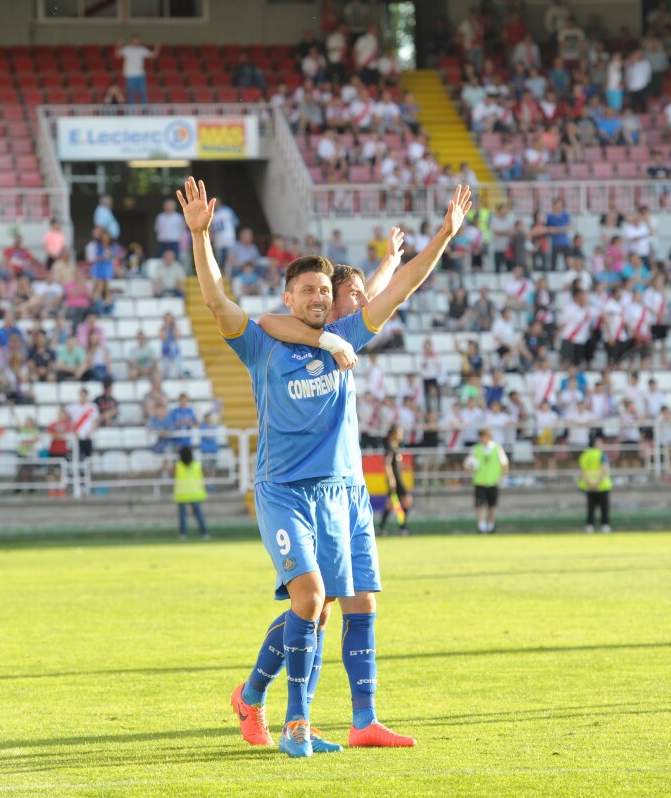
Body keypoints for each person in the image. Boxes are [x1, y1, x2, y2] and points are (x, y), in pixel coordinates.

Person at [180, 178, 467, 756]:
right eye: (307, 289)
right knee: (311, 600)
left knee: (341, 603)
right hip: (285, 490)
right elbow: (215, 300)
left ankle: (323, 716)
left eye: (322, 290)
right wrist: (201, 236)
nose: (316, 296)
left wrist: (442, 235)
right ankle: (293, 721)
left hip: (340, 493)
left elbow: (400, 288)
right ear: (289, 298)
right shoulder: (260, 344)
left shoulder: (344, 334)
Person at [466, 427, 510, 534]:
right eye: (481, 437)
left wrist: (501, 478)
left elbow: (505, 464)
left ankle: (491, 525)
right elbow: (467, 465)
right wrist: (472, 468)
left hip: (493, 482)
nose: (483, 439)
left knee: (492, 506)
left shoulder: (497, 448)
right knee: (480, 505)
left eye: (485, 436)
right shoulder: (476, 449)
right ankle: (481, 526)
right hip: (480, 482)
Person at [378, 426, 411, 536]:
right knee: (406, 501)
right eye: (400, 433)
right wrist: (391, 479)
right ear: (393, 434)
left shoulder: (395, 447)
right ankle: (402, 527)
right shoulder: (390, 447)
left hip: (397, 478)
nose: (401, 435)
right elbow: (387, 464)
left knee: (391, 503)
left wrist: (404, 466)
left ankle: (382, 528)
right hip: (395, 480)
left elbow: (394, 464)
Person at [174, 445, 210, 541]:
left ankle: (183, 534)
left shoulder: (178, 465)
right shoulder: (197, 465)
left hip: (182, 494)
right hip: (195, 493)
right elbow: (201, 477)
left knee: (182, 516)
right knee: (199, 515)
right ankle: (205, 533)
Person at [578, 433, 612, 533]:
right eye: (600, 443)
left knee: (590, 507)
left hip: (588, 486)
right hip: (602, 486)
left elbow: (582, 471)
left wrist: (589, 483)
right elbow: (604, 470)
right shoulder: (602, 455)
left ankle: (590, 526)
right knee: (604, 508)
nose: (602, 445)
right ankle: (605, 525)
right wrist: (597, 483)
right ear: (595, 444)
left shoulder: (585, 455)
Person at [117, 33, 159, 105]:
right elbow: (117, 55)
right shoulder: (127, 49)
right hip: (130, 75)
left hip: (140, 75)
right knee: (131, 94)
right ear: (131, 40)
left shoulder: (142, 49)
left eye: (138, 40)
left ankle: (144, 110)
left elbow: (153, 56)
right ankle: (131, 111)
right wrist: (118, 45)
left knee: (143, 93)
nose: (136, 41)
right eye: (135, 39)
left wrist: (157, 47)